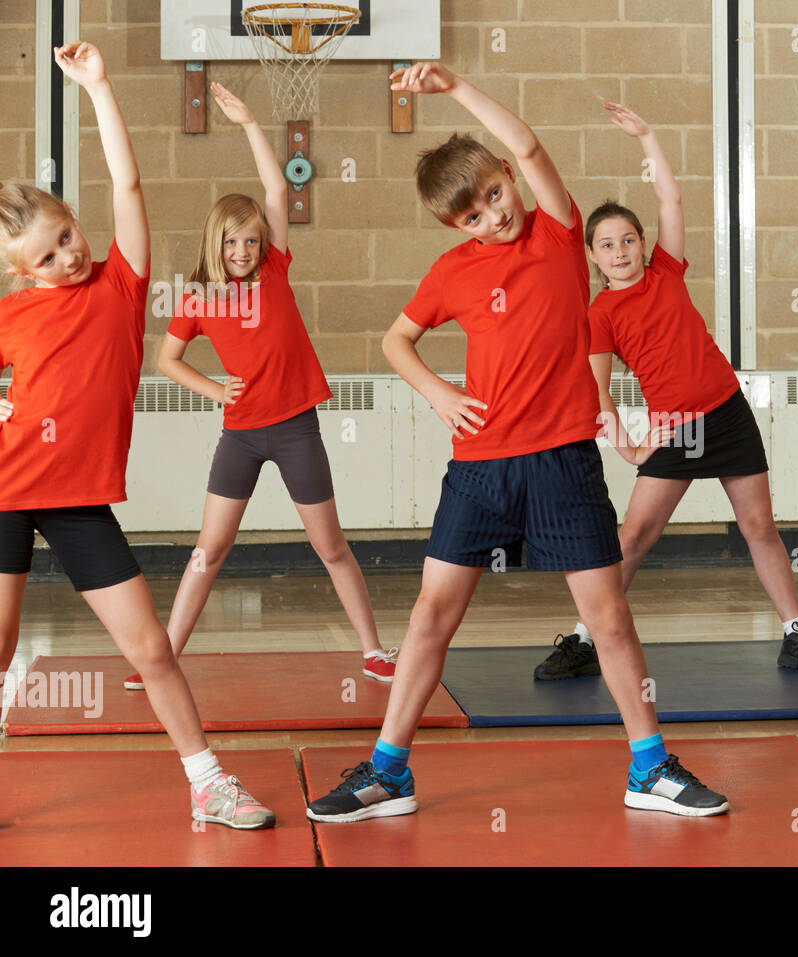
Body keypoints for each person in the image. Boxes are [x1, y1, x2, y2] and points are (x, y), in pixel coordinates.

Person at [306, 63, 728, 822]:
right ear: (453, 228)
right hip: (479, 467)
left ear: (507, 178)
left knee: (608, 619)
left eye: (496, 196)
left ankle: (650, 766)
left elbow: (531, 145)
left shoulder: (560, 234)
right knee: (432, 615)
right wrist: (438, 392)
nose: (493, 218)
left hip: (565, 461)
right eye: (472, 216)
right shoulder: (451, 271)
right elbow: (396, 339)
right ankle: (388, 771)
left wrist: (455, 87)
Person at [0, 42, 273, 829]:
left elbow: (127, 182)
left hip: (80, 498)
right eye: (47, 255)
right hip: (11, 488)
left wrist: (99, 87)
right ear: (23, 272)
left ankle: (208, 782)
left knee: (151, 647)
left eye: (66, 234)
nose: (67, 252)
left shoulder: (121, 284)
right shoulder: (14, 312)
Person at [534, 103, 798, 681]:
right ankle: (584, 637)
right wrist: (628, 448)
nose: (620, 251)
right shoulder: (599, 312)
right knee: (634, 535)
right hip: (676, 427)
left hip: (726, 412)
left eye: (628, 240)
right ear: (594, 257)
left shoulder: (667, 272)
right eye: (606, 245)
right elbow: (596, 391)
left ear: (644, 244)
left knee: (759, 528)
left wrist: (649, 137)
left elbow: (671, 200)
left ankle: (796, 632)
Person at [125, 83, 394, 690]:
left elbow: (276, 190)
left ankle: (374, 650)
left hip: (295, 427)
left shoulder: (276, 267)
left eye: (251, 239)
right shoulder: (197, 296)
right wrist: (216, 392)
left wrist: (248, 121)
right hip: (240, 435)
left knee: (330, 547)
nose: (243, 249)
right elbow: (166, 360)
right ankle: (162, 655)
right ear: (213, 242)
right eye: (231, 240)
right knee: (208, 550)